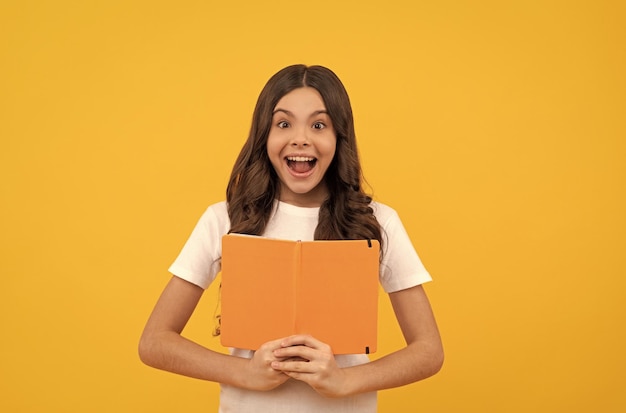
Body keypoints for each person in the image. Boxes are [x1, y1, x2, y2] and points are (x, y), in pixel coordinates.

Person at [139, 64, 444, 412]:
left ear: (338, 137)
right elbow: (154, 342)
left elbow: (428, 350)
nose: (300, 138)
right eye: (283, 124)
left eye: (319, 125)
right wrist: (245, 372)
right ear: (264, 136)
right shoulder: (223, 219)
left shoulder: (378, 222)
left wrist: (345, 381)